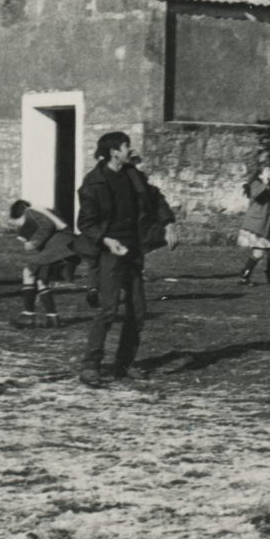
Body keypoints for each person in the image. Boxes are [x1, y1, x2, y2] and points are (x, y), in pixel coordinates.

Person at [76, 132, 161, 386]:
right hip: (109, 253)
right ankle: (90, 366)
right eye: (126, 146)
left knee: (138, 310)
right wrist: (106, 240)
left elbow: (154, 197)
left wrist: (168, 223)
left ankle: (124, 364)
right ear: (114, 151)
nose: (130, 150)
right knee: (109, 310)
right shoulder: (94, 182)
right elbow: (85, 223)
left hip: (133, 251)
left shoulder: (132, 175)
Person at [7, 200, 78, 327]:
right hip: (68, 246)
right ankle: (52, 318)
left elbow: (47, 225)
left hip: (60, 246)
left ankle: (28, 316)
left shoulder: (29, 213)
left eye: (17, 223)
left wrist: (34, 242)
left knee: (28, 272)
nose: (19, 228)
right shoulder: (39, 211)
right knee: (40, 278)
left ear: (18, 215)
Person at [237, 165, 270, 285]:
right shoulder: (256, 184)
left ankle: (269, 277)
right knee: (259, 253)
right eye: (268, 170)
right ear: (261, 175)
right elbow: (255, 194)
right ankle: (245, 277)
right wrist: (266, 182)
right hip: (255, 225)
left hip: (264, 226)